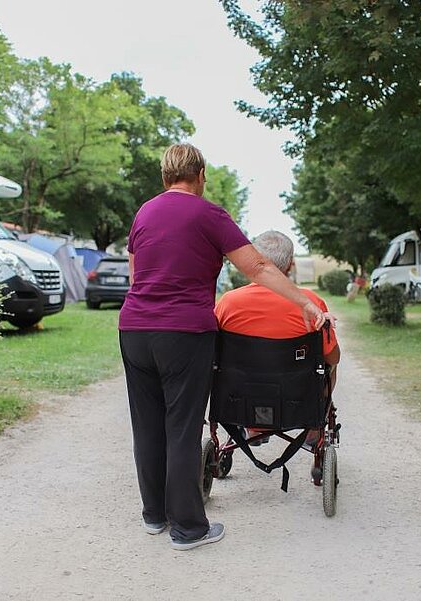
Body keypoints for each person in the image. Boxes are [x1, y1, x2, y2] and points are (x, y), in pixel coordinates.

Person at [118, 144, 331, 551]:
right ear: (199, 176)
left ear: (165, 178)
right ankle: (188, 529)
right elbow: (258, 266)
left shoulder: (143, 213)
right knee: (181, 428)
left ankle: (154, 515)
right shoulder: (208, 213)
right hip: (183, 333)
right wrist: (302, 300)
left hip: (134, 328)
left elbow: (135, 274)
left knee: (147, 425)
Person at [215, 231, 340, 447]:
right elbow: (332, 356)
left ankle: (254, 428)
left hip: (242, 395)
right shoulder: (309, 302)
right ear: (290, 266)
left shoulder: (228, 302)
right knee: (330, 366)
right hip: (296, 396)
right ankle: (312, 429)